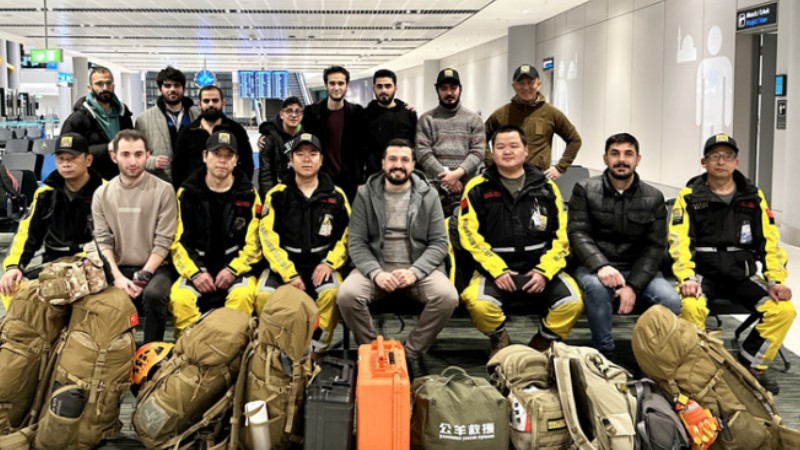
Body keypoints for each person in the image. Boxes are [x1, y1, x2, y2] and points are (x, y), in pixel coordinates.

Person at [670, 133, 795, 395]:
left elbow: (769, 242)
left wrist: (775, 281)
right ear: (704, 162)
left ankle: (751, 368)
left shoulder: (754, 196)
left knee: (783, 311)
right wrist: (687, 278)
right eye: (715, 156)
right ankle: (699, 370)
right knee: (691, 307)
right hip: (705, 276)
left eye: (727, 156)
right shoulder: (690, 196)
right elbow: (679, 242)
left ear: (736, 162)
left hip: (741, 276)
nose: (721, 162)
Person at [337, 138, 458, 379]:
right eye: (392, 159)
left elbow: (439, 243)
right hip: (377, 267)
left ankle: (411, 352)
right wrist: (376, 273)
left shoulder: (429, 195)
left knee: (447, 297)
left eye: (404, 160)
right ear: (383, 163)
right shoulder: (364, 194)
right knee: (347, 295)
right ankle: (372, 351)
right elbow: (357, 242)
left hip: (417, 267)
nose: (398, 165)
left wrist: (415, 271)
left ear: (413, 164)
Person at [458, 125, 583, 357]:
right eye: (500, 147)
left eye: (514, 146)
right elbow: (469, 236)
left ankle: (542, 342)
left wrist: (544, 271)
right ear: (492, 152)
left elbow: (562, 235)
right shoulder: (476, 188)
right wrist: (498, 271)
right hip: (494, 271)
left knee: (573, 302)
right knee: (477, 304)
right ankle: (499, 337)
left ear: (525, 150)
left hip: (541, 268)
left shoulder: (546, 188)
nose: (507, 151)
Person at [568, 133, 681, 360]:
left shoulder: (653, 197)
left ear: (638, 159)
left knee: (670, 300)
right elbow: (578, 233)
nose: (622, 159)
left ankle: (650, 358)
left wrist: (633, 286)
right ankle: (604, 354)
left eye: (628, 154)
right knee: (597, 289)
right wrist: (601, 266)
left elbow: (655, 246)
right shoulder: (585, 189)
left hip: (638, 268)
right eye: (615, 154)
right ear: (605, 158)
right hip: (594, 266)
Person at [258, 133, 350, 357]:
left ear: (321, 160)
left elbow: (347, 236)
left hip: (321, 264)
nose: (306, 159)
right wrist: (288, 273)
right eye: (300, 154)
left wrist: (330, 263)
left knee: (333, 293)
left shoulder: (336, 196)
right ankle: (277, 349)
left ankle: (316, 349)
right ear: (290, 160)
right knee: (262, 295)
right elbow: (267, 238)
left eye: (312, 154)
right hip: (285, 265)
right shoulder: (277, 195)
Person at [170, 131, 261, 336]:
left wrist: (233, 270)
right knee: (180, 299)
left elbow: (255, 243)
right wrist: (195, 273)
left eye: (229, 155)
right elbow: (177, 242)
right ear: (205, 156)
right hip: (197, 268)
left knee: (244, 295)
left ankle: (232, 353)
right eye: (216, 154)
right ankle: (190, 355)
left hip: (235, 269)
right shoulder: (186, 194)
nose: (222, 160)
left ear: (236, 160)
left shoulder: (249, 194)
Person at [92, 129, 177, 343]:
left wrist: (144, 276)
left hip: (156, 267)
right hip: (118, 267)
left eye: (139, 154)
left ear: (148, 155)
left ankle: (150, 357)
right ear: (114, 157)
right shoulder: (102, 194)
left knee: (154, 295)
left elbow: (164, 240)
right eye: (126, 154)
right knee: (104, 297)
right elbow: (103, 240)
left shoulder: (165, 190)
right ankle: (114, 356)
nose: (133, 161)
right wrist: (117, 277)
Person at [0, 133, 103, 308]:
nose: (66, 163)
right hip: (54, 263)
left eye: (72, 158)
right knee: (12, 286)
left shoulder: (106, 192)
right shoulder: (44, 194)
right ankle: (30, 332)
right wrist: (14, 267)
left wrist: (85, 262)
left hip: (93, 264)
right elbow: (26, 236)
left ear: (88, 160)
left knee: (65, 290)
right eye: (60, 158)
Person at [484, 64, 582, 180]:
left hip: (538, 180)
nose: (526, 87)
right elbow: (480, 138)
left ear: (538, 84)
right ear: (514, 86)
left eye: (530, 82)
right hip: (505, 179)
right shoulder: (501, 114)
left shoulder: (551, 113)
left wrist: (560, 168)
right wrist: (491, 163)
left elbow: (575, 140)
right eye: (521, 83)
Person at [416, 68, 485, 214]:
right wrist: (446, 176)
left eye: (453, 88)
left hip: (466, 188)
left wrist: (457, 174)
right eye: (444, 88)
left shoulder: (474, 119)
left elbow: (478, 152)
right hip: (434, 189)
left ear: (460, 89)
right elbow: (422, 152)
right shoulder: (427, 119)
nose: (449, 93)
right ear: (437, 90)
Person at [171, 85, 254, 189]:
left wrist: (241, 189)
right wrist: (182, 192)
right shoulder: (187, 132)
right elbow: (178, 167)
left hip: (229, 193)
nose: (211, 104)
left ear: (222, 103)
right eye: (206, 101)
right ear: (199, 104)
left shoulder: (236, 130)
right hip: (194, 194)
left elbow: (247, 163)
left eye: (215, 101)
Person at [302, 66, 364, 200]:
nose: (336, 88)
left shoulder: (356, 113)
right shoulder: (312, 113)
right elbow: (290, 122)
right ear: (326, 85)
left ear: (347, 85)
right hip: (319, 180)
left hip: (349, 182)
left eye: (341, 83)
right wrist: (266, 131)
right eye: (332, 83)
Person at [61, 66, 133, 180]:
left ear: (113, 86)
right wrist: (107, 148)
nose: (105, 88)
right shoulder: (77, 119)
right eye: (99, 84)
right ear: (90, 88)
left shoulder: (124, 115)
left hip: (122, 179)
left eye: (108, 83)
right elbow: (67, 153)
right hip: (91, 182)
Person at [135, 66, 201, 183]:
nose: (172, 89)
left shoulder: (197, 117)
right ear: (160, 89)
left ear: (183, 89)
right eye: (167, 85)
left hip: (193, 182)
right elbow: (135, 154)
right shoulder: (143, 120)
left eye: (177, 85)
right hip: (160, 181)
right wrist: (151, 161)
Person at [362, 69, 417, 179]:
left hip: (402, 174)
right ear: (374, 89)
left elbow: (415, 145)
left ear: (395, 87)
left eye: (388, 86)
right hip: (374, 176)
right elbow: (359, 149)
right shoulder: (364, 115)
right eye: (379, 86)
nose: (383, 90)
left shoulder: (408, 114)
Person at [257, 96, 304, 197]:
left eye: (297, 111)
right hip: (277, 191)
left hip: (300, 192)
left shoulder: (306, 136)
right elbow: (266, 174)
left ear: (302, 115)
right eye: (289, 111)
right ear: (282, 114)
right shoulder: (269, 138)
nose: (294, 115)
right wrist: (268, 198)